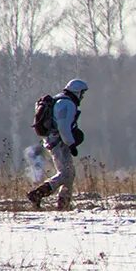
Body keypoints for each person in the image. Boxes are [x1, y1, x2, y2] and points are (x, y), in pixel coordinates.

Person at [27, 78, 88, 210]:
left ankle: (63, 204)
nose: (82, 97)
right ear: (77, 92)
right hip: (58, 143)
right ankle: (38, 194)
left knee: (69, 174)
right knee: (65, 174)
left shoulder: (59, 100)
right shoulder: (67, 104)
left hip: (53, 140)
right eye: (82, 93)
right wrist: (71, 144)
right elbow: (64, 127)